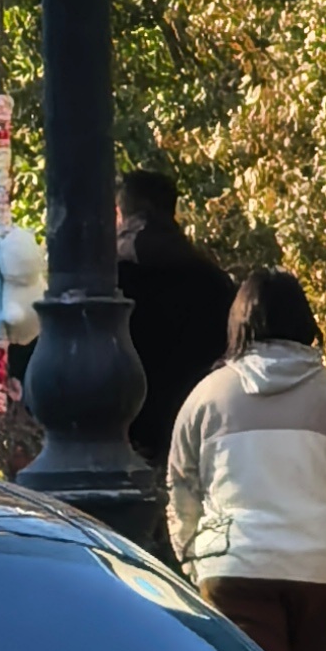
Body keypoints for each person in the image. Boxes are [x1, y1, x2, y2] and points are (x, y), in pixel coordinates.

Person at [163, 265, 326, 651]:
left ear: (238, 324)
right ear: (304, 322)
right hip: (319, 568)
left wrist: (189, 554)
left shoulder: (206, 397)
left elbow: (181, 485)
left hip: (232, 566)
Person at [115, 169, 241, 467]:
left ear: (126, 214)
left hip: (128, 435)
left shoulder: (113, 281)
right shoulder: (212, 279)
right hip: (198, 429)